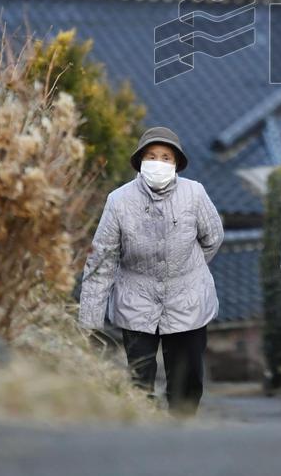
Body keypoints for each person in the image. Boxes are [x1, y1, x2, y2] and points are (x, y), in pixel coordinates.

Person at [78, 126, 224, 415]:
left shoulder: (194, 194)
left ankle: (181, 433)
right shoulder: (118, 201)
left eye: (166, 157)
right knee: (139, 381)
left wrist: (187, 269)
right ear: (140, 162)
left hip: (188, 298)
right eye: (152, 156)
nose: (159, 162)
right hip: (136, 298)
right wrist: (89, 320)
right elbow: (102, 260)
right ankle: (144, 434)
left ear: (176, 163)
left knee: (187, 382)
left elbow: (213, 238)